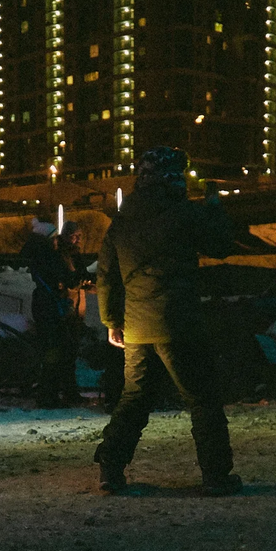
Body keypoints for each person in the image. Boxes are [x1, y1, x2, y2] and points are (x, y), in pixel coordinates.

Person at [94, 147, 242, 495]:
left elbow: (106, 275)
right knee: (202, 399)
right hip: (180, 324)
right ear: (173, 178)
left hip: (137, 327)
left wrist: (112, 320)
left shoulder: (121, 221)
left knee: (134, 398)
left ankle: (110, 468)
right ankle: (216, 476)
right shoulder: (184, 213)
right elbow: (221, 244)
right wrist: (214, 207)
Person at [22, 215, 83, 408]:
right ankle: (49, 396)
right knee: (54, 351)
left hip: (45, 306)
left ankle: (50, 394)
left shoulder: (40, 256)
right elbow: (64, 278)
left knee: (52, 352)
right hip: (51, 308)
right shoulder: (49, 257)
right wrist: (74, 281)